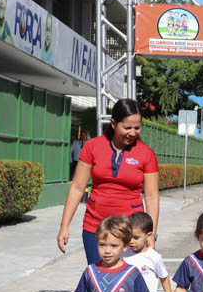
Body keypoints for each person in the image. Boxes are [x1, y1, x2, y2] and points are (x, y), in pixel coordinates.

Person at [57, 99, 159, 265]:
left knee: (128, 284)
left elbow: (152, 195)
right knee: (100, 282)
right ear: (113, 123)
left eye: (137, 128)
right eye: (127, 127)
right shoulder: (92, 147)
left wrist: (151, 234)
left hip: (131, 232)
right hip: (95, 228)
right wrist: (64, 226)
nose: (133, 133)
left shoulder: (146, 154)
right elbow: (77, 187)